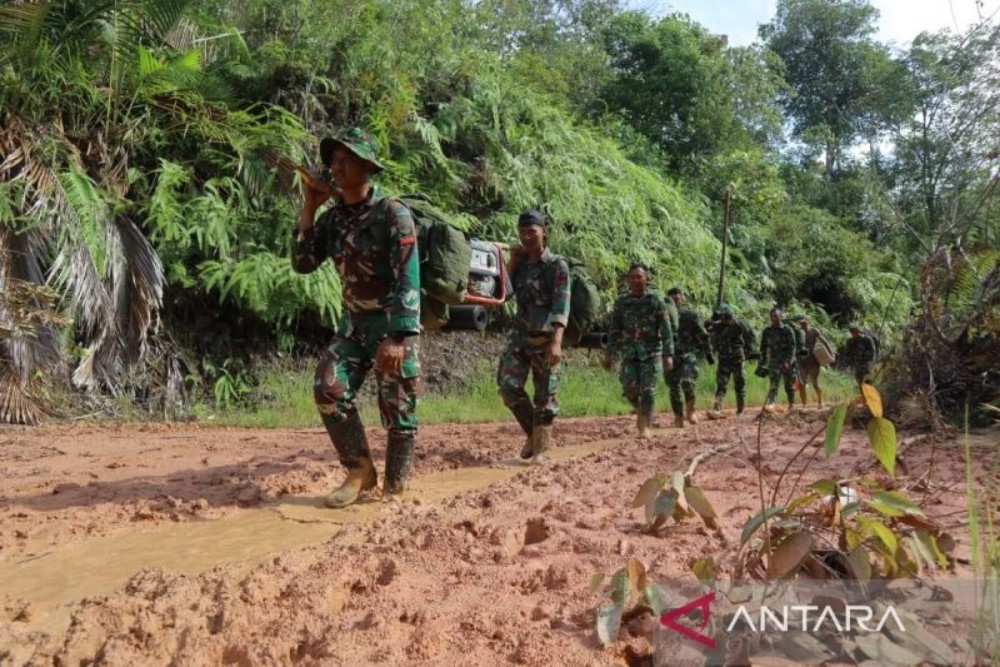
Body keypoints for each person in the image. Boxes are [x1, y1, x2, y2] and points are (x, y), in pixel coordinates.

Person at [292, 127, 421, 508]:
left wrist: (399, 337)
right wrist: (309, 209)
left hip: (392, 327)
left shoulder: (392, 214)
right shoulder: (333, 221)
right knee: (328, 388)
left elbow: (408, 277)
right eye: (333, 161)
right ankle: (360, 469)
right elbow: (303, 263)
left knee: (397, 410)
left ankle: (395, 490)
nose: (336, 167)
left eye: (345, 160)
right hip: (354, 327)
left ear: (368, 166)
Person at [497, 210, 571, 463]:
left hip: (546, 338)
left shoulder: (556, 265)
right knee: (508, 386)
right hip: (520, 337)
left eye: (532, 231)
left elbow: (562, 306)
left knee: (544, 397)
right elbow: (502, 294)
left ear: (544, 232)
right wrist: (513, 262)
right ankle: (533, 434)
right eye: (522, 232)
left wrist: (557, 343)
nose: (527, 237)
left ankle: (540, 451)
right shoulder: (521, 264)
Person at [602, 264, 674, 438]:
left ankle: (645, 426)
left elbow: (666, 329)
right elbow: (614, 330)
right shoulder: (622, 303)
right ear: (628, 280)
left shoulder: (655, 300)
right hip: (629, 352)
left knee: (648, 390)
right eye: (632, 277)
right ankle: (641, 411)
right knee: (629, 388)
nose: (635, 280)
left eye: (639, 277)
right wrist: (609, 353)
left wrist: (668, 354)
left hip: (651, 352)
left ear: (646, 279)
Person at [665, 287, 713, 427]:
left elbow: (703, 334)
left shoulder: (690, 315)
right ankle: (678, 416)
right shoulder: (662, 315)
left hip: (688, 354)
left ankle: (691, 411)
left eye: (677, 299)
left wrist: (708, 352)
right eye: (672, 300)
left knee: (687, 382)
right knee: (673, 387)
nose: (675, 302)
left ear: (682, 299)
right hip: (670, 356)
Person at [708, 304, 756, 418]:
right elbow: (708, 326)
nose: (723, 319)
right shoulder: (719, 326)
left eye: (725, 317)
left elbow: (750, 334)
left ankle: (740, 411)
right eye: (722, 317)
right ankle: (717, 410)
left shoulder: (739, 325)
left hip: (737, 360)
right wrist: (713, 318)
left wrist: (750, 351)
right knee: (721, 385)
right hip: (724, 360)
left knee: (740, 385)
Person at [757, 307, 798, 413]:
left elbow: (792, 347)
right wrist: (762, 363)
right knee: (774, 384)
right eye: (772, 316)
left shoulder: (787, 330)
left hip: (787, 362)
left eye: (776, 315)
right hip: (774, 362)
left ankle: (791, 404)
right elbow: (763, 348)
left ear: (781, 316)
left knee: (789, 385)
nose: (774, 318)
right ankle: (771, 404)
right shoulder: (767, 331)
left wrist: (788, 361)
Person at [792, 314, 835, 406]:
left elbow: (825, 342)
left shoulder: (813, 331)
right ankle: (804, 404)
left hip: (813, 361)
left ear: (807, 321)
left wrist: (832, 354)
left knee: (815, 383)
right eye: (800, 323)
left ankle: (820, 401)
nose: (802, 324)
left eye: (804, 322)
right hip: (801, 361)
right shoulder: (797, 333)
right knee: (801, 383)